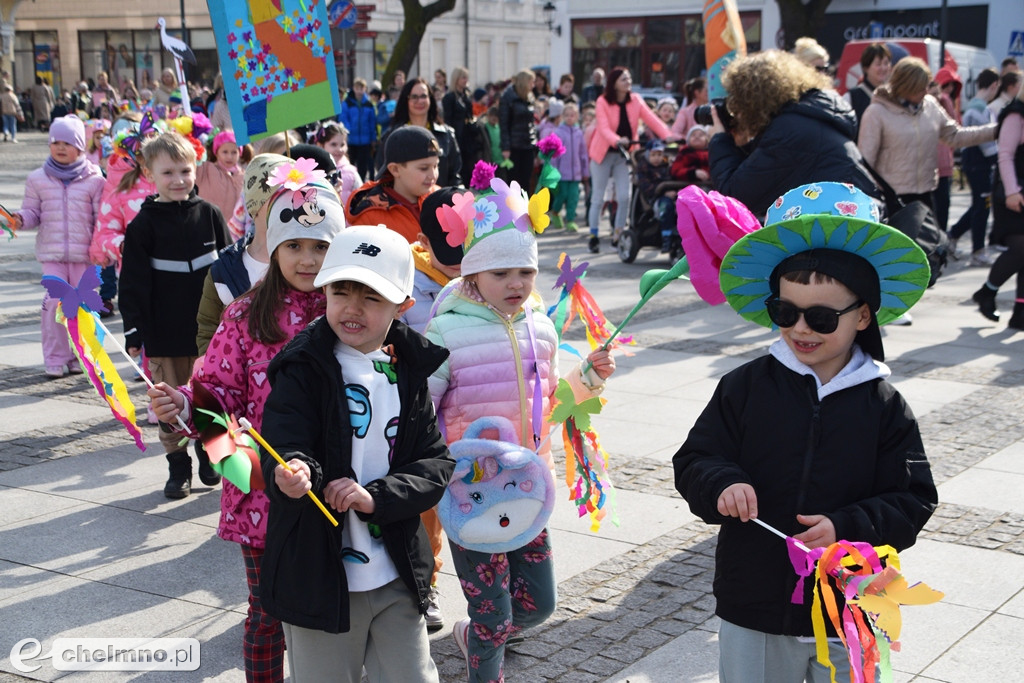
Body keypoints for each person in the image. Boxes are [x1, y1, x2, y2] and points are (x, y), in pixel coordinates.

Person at [674, 182, 937, 683]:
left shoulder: (884, 406)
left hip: (850, 603)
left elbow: (913, 498)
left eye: (820, 316)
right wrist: (722, 483)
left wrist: (847, 527)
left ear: (862, 315)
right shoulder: (745, 387)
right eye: (785, 312)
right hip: (755, 600)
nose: (801, 328)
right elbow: (695, 458)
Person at [147, 167, 345, 683]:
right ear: (272, 248)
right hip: (261, 497)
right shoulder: (243, 315)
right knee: (267, 614)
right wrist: (186, 407)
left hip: (335, 488)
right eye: (294, 244)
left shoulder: (350, 313)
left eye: (321, 246)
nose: (307, 259)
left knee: (336, 611)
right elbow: (215, 396)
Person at [424, 181, 614, 682]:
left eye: (525, 271)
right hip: (471, 491)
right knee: (494, 615)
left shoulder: (543, 329)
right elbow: (419, 405)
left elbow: (555, 403)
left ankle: (471, 635)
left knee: (539, 605)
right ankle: (484, 666)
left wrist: (590, 377)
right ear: (472, 271)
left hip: (529, 484)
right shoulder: (445, 331)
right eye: (500, 272)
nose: (515, 282)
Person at [257, 224, 453, 682]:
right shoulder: (301, 366)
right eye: (341, 292)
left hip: (396, 570)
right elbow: (285, 439)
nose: (352, 308)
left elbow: (435, 462)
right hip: (319, 573)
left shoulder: (408, 370)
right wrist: (294, 469)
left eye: (371, 297)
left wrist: (377, 497)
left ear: (403, 304)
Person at [118, 132, 231, 498]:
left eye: (185, 170)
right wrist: (134, 331)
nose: (179, 179)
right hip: (164, 334)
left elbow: (230, 269)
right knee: (170, 404)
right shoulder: (143, 226)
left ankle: (212, 455)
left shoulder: (211, 215)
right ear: (149, 174)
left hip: (211, 335)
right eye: (168, 173)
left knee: (211, 397)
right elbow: (132, 283)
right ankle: (178, 466)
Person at [709, 50, 880, 218]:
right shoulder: (807, 117)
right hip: (853, 220)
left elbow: (736, 196)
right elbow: (767, 172)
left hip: (841, 228)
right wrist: (743, 144)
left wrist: (720, 139)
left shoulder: (788, 131)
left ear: (753, 100)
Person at [10, 115, 105, 377]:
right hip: (52, 254)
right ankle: (55, 356)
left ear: (80, 146)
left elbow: (101, 218)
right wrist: (20, 219)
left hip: (85, 255)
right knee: (54, 302)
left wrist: (102, 247)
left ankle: (81, 356)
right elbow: (32, 212)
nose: (60, 147)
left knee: (83, 307)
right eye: (55, 142)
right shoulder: (37, 178)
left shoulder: (95, 178)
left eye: (67, 142)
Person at [859, 57, 995, 210]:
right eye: (920, 88)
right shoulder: (876, 113)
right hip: (891, 198)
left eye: (926, 86)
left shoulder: (930, 105)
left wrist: (997, 130)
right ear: (905, 87)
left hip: (927, 194)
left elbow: (955, 136)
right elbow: (865, 163)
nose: (925, 91)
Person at [587, 66, 673, 253]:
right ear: (614, 83)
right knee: (598, 197)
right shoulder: (603, 101)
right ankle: (593, 235)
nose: (628, 82)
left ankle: (618, 235)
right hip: (603, 153)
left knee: (625, 196)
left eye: (629, 78)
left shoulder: (635, 100)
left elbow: (652, 120)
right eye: (624, 79)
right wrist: (618, 140)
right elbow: (603, 128)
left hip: (624, 155)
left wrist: (668, 136)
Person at [973, 86, 1024, 329]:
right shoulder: (1016, 115)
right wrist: (1013, 191)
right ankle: (987, 291)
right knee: (1020, 248)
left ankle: (1020, 312)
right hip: (1013, 195)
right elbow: (1005, 155)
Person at [347, 126, 441, 244]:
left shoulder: (440, 199)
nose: (433, 175)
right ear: (395, 169)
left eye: (436, 166)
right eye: (424, 168)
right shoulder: (369, 217)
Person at [949, 69, 1002, 265]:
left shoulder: (975, 106)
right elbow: (987, 143)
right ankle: (977, 250)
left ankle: (954, 235)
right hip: (980, 165)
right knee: (982, 207)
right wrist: (999, 159)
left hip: (975, 164)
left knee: (979, 206)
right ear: (994, 85)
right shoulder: (980, 109)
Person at [376, 78, 462, 187]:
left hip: (439, 200)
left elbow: (455, 176)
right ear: (406, 100)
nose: (420, 101)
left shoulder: (446, 134)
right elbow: (382, 175)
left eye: (423, 96)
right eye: (414, 97)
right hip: (402, 202)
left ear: (430, 99)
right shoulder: (392, 136)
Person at [550, 102, 588, 232]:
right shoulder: (558, 132)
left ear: (577, 116)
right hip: (561, 173)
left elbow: (583, 153)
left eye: (572, 115)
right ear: (562, 116)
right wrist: (553, 172)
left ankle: (570, 220)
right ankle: (555, 212)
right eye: (567, 115)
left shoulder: (579, 133)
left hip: (575, 174)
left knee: (573, 197)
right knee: (562, 195)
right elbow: (554, 154)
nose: (570, 118)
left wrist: (585, 171)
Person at [499, 70, 539, 191]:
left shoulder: (529, 97)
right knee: (514, 180)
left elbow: (531, 123)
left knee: (526, 179)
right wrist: (506, 147)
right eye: (531, 82)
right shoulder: (508, 98)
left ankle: (525, 207)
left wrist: (535, 145)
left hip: (528, 144)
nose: (533, 85)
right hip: (514, 145)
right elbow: (504, 124)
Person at [196, 129, 245, 223]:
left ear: (240, 153)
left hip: (234, 230)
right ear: (217, 153)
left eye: (234, 152)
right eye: (225, 152)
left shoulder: (244, 175)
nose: (229, 156)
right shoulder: (206, 169)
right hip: (207, 223)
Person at [442, 67, 482, 182]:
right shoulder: (449, 98)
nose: (466, 80)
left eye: (466, 78)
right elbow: (448, 119)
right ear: (457, 79)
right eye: (463, 77)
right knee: (459, 165)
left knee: (469, 166)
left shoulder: (466, 96)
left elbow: (469, 114)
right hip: (457, 135)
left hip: (468, 136)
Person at [314, 122, 362, 207]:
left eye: (342, 145)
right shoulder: (314, 171)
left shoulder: (351, 172)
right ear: (320, 145)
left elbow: (361, 198)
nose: (339, 149)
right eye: (333, 144)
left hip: (346, 220)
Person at [844, 43, 892, 126]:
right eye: (878, 64)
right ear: (866, 68)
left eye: (886, 63)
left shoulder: (895, 95)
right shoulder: (852, 97)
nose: (883, 68)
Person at [340, 78, 378, 182]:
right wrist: (348, 131)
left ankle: (361, 183)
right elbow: (343, 118)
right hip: (351, 139)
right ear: (354, 88)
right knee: (351, 163)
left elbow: (372, 122)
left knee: (363, 165)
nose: (359, 90)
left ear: (365, 89)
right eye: (357, 88)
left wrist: (373, 138)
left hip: (365, 140)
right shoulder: (347, 103)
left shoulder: (369, 104)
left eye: (362, 88)